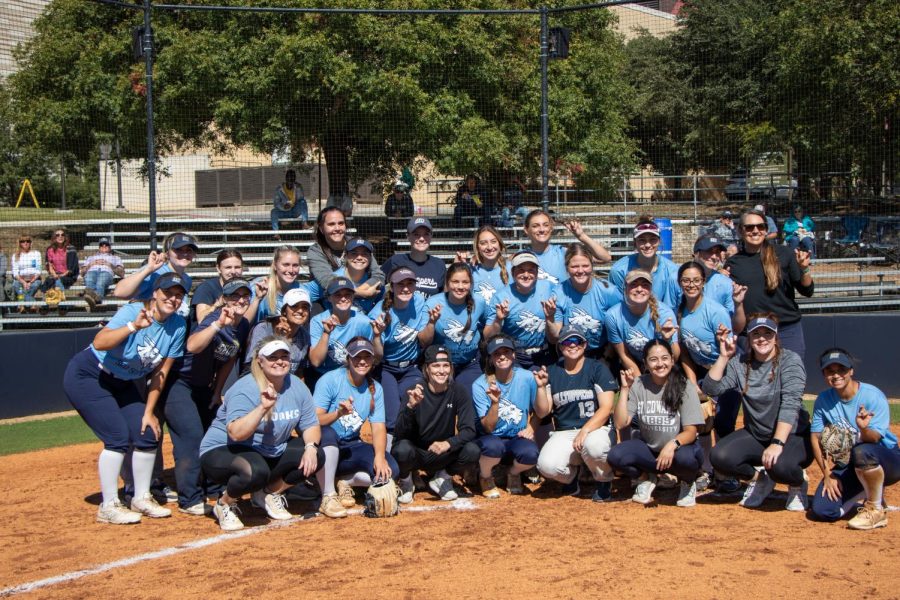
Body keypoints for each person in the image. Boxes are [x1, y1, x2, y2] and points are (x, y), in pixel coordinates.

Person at [62, 272, 188, 524]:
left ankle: (141, 497)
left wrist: (149, 411)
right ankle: (108, 506)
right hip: (90, 375)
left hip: (125, 382)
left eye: (178, 295)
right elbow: (99, 342)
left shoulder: (178, 326)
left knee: (147, 432)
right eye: (168, 293)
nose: (172, 299)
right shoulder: (133, 311)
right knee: (117, 436)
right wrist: (134, 327)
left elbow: (160, 373)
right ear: (155, 293)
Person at [199, 337, 324, 530]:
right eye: (273, 357)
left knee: (316, 454)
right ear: (260, 360)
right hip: (224, 450)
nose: (280, 361)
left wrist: (310, 447)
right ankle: (224, 503)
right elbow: (236, 433)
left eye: (284, 356)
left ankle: (268, 493)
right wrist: (262, 408)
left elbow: (311, 426)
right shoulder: (245, 388)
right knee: (255, 470)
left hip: (267, 451)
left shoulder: (297, 386)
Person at [702, 315, 812, 511]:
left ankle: (797, 484)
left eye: (767, 333)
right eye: (756, 334)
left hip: (793, 435)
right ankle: (761, 480)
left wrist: (777, 443)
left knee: (780, 466)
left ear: (776, 337)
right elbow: (712, 388)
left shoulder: (790, 360)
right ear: (750, 339)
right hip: (757, 434)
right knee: (720, 456)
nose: (762, 339)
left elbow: (790, 404)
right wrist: (724, 357)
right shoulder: (740, 363)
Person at [165, 278, 252, 515]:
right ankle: (190, 498)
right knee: (191, 437)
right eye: (235, 296)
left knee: (216, 434)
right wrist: (217, 325)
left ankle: (213, 488)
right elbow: (192, 346)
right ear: (224, 299)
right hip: (180, 384)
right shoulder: (214, 319)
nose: (241, 300)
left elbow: (230, 358)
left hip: (205, 387)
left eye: (245, 296)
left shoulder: (243, 325)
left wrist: (217, 392)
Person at [607, 339, 705, 507]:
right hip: (651, 452)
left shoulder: (684, 385)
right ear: (645, 363)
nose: (660, 364)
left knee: (687, 460)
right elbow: (621, 423)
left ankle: (688, 482)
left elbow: (690, 431)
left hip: (679, 450)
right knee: (616, 456)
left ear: (672, 360)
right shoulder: (639, 384)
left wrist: (672, 445)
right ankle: (646, 478)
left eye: (665, 358)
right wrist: (624, 389)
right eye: (653, 359)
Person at [809, 349, 900, 530]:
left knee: (862, 451)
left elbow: (874, 439)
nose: (836, 375)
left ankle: (875, 509)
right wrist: (827, 474)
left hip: (887, 459)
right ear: (824, 374)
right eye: (830, 371)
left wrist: (863, 428)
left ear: (851, 370)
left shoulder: (872, 396)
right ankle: (871, 491)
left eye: (841, 369)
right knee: (823, 510)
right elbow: (815, 438)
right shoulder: (823, 400)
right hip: (851, 463)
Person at [314, 337, 399, 518]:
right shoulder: (330, 380)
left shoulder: (375, 388)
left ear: (373, 360)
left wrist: (380, 457)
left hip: (350, 447)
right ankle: (328, 496)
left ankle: (345, 482)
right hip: (325, 448)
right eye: (356, 357)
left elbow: (378, 427)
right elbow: (314, 421)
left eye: (367, 357)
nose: (362, 361)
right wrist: (337, 414)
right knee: (327, 433)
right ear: (348, 359)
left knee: (390, 471)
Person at [534, 325, 619, 502]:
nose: (572, 345)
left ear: (585, 344)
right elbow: (543, 412)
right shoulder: (552, 371)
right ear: (560, 346)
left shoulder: (597, 368)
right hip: (565, 431)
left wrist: (585, 430)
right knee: (546, 466)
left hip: (596, 428)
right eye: (567, 341)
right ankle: (572, 478)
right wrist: (541, 387)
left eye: (577, 341)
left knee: (594, 447)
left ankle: (603, 480)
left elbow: (606, 408)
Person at [391, 345, 481, 503]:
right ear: (426, 369)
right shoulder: (414, 390)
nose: (441, 371)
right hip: (417, 453)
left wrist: (448, 443)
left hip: (443, 453)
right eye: (436, 366)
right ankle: (406, 481)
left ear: (451, 368)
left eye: (446, 365)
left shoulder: (458, 391)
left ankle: (443, 477)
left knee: (472, 450)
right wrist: (410, 407)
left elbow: (468, 430)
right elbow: (399, 434)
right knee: (402, 449)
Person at [725, 208, 814, 358]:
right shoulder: (733, 263)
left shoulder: (784, 254)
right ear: (741, 231)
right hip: (753, 334)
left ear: (766, 230)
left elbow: (807, 291)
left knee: (791, 378)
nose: (755, 231)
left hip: (786, 330)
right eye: (749, 227)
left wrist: (804, 270)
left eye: (760, 226)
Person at [471, 334, 545, 498]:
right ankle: (485, 476)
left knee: (531, 454)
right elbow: (488, 427)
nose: (502, 356)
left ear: (514, 354)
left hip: (517, 436)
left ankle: (512, 473)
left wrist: (531, 427)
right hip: (492, 437)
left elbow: (541, 412)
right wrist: (495, 403)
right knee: (493, 447)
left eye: (506, 351)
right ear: (490, 359)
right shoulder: (480, 384)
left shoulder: (527, 377)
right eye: (496, 353)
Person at [370, 267, 436, 438]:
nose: (405, 288)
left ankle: (413, 448)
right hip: (386, 368)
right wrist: (377, 335)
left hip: (410, 367)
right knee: (392, 417)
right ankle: (394, 452)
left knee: (413, 402)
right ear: (391, 286)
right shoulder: (380, 313)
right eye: (400, 284)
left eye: (410, 284)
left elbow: (424, 340)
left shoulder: (419, 300)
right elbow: (377, 356)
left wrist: (431, 323)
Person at [484, 251, 559, 370]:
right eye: (521, 270)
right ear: (513, 273)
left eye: (531, 270)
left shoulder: (549, 289)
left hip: (544, 353)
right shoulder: (500, 297)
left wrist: (550, 317)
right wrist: (498, 319)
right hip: (514, 356)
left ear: (537, 272)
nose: (526, 274)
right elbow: (488, 336)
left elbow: (555, 337)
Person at [552, 243, 622, 359]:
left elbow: (620, 324)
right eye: (574, 266)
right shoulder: (559, 293)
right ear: (567, 268)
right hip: (570, 352)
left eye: (585, 265)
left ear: (592, 266)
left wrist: (609, 352)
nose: (580, 271)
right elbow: (555, 336)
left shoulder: (609, 291)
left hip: (602, 352)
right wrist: (550, 318)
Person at [605, 269, 679, 374]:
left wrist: (668, 340)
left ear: (650, 290)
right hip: (634, 363)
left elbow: (674, 358)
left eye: (645, 285)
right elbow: (624, 354)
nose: (639, 289)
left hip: (660, 365)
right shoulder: (613, 316)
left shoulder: (664, 314)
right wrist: (640, 382)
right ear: (625, 288)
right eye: (633, 284)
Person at [426, 262, 487, 390]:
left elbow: (487, 329)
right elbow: (423, 341)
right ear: (447, 282)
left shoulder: (480, 302)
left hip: (469, 364)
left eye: (465, 282)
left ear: (471, 284)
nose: (460, 286)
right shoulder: (433, 303)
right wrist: (431, 323)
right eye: (455, 282)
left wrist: (498, 318)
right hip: (441, 364)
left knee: (468, 397)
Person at [307, 206, 385, 294]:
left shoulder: (359, 244)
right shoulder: (315, 251)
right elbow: (328, 281)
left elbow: (379, 276)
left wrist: (361, 290)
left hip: (359, 291)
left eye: (341, 223)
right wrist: (359, 293)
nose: (337, 228)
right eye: (331, 224)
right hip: (325, 298)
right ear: (321, 228)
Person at [522, 209, 611, 285]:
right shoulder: (519, 258)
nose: (541, 230)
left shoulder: (564, 253)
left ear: (551, 228)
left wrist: (582, 236)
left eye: (545, 225)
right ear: (526, 230)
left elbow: (605, 258)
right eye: (535, 226)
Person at [309, 277, 375, 376]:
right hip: (324, 374)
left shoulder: (364, 322)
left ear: (353, 297)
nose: (343, 299)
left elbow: (373, 358)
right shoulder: (318, 321)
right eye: (337, 295)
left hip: (353, 374)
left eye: (347, 295)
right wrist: (326, 333)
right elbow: (316, 361)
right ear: (329, 298)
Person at [608, 216, 680, 308]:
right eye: (642, 240)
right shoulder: (619, 270)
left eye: (652, 240)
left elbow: (671, 307)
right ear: (635, 243)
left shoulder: (672, 271)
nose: (647, 245)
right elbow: (616, 306)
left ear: (659, 241)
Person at [114, 232, 198, 307]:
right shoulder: (156, 273)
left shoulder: (187, 280)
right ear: (167, 253)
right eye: (178, 249)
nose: (184, 253)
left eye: (189, 250)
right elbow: (120, 293)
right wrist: (148, 270)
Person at [244, 287, 311, 378]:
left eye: (305, 307)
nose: (300, 311)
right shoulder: (264, 328)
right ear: (284, 311)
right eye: (294, 306)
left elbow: (300, 371)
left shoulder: (305, 335)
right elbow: (252, 364)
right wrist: (279, 338)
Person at [192, 250, 265, 325]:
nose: (233, 271)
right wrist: (218, 304)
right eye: (228, 267)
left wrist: (257, 298)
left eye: (237, 267)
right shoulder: (206, 288)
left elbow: (244, 323)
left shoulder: (244, 288)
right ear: (218, 268)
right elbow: (201, 320)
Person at [382, 217, 447, 298]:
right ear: (408, 236)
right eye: (416, 234)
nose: (422, 239)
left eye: (426, 234)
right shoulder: (396, 261)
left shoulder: (439, 265)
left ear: (431, 236)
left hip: (430, 310)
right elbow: (377, 281)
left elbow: (444, 296)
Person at [332, 238, 384, 314]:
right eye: (354, 253)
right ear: (345, 256)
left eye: (364, 254)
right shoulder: (333, 278)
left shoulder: (375, 282)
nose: (359, 257)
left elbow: (380, 307)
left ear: (370, 257)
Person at [466, 225, 511, 306]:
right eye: (483, 243)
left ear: (499, 244)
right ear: (477, 247)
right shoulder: (470, 271)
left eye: (493, 241)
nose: (489, 247)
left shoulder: (511, 269)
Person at [80, 238, 125, 310]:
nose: (104, 246)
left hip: (106, 272)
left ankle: (96, 301)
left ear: (110, 247)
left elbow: (122, 273)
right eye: (101, 245)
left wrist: (110, 265)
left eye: (106, 244)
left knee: (100, 282)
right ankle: (95, 301)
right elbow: (82, 273)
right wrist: (90, 265)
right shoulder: (91, 258)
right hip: (92, 271)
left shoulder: (115, 258)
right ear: (99, 247)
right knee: (89, 279)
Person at [270, 169, 309, 236]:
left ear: (295, 179)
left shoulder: (298, 187)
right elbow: (276, 203)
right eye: (289, 177)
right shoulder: (279, 189)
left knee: (303, 202)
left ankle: (304, 223)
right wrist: (283, 206)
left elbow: (301, 199)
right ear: (286, 178)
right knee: (273, 212)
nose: (291, 180)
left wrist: (298, 189)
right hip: (284, 211)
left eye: (293, 178)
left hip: (295, 210)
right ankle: (276, 233)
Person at [41, 228, 79, 292]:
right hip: (55, 275)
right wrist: (55, 275)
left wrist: (61, 275)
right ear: (54, 237)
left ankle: (59, 299)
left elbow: (72, 268)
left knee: (58, 281)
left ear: (65, 237)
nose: (60, 236)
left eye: (62, 235)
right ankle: (49, 299)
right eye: (57, 235)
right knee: (49, 281)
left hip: (68, 276)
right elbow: (49, 266)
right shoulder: (50, 249)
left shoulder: (71, 249)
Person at [11, 234, 42, 313]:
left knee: (30, 287)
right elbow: (15, 272)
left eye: (27, 241)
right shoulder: (15, 256)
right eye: (23, 241)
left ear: (31, 243)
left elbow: (38, 270)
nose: (25, 243)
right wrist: (24, 282)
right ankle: (32, 304)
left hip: (34, 279)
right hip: (21, 280)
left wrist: (30, 282)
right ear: (20, 243)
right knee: (16, 285)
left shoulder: (36, 253)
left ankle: (21, 304)